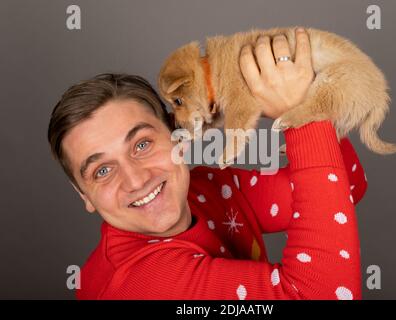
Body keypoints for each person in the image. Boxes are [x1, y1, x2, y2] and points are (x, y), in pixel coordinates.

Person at [47, 29, 367, 300]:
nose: (135, 180)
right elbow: (321, 293)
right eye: (102, 170)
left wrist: (299, 95)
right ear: (84, 195)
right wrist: (304, 115)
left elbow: (345, 187)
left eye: (142, 144)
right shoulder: (145, 282)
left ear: (176, 138)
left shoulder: (205, 186)